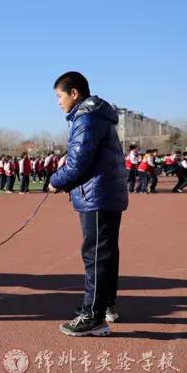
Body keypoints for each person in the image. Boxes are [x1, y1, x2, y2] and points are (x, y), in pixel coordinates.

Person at [48, 71, 128, 337]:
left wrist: (56, 181)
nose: (58, 102)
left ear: (74, 93)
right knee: (105, 252)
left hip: (97, 195)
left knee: (95, 254)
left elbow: (78, 163)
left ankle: (92, 315)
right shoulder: (97, 116)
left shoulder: (87, 118)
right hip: (105, 193)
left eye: (59, 96)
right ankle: (104, 306)